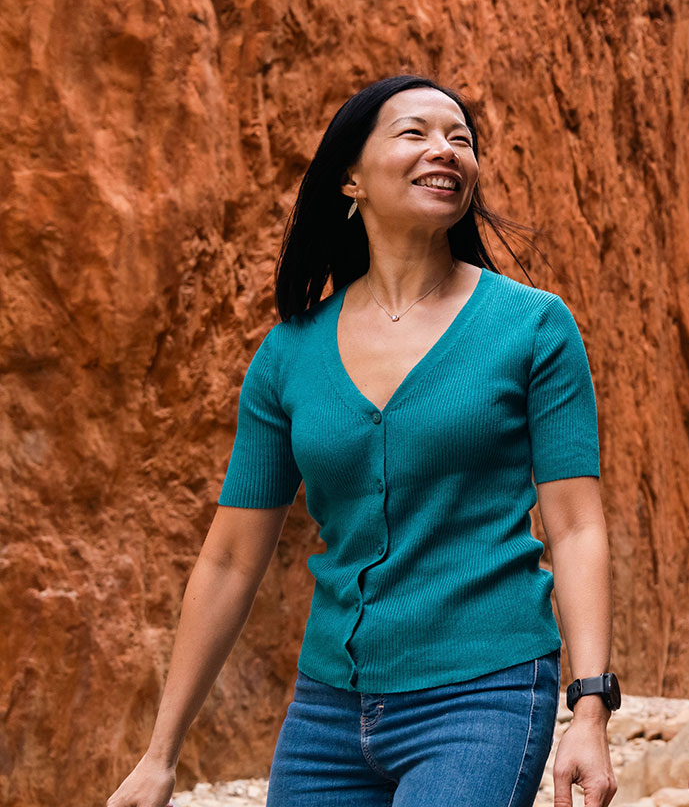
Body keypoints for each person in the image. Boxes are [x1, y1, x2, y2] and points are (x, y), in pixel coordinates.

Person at [107, 75, 620, 807]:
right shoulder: (288, 355)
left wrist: (590, 707)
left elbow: (574, 526)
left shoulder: (534, 328)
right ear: (351, 176)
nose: (444, 150)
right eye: (414, 132)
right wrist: (162, 753)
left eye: (461, 140)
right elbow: (228, 558)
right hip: (326, 713)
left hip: (483, 696)